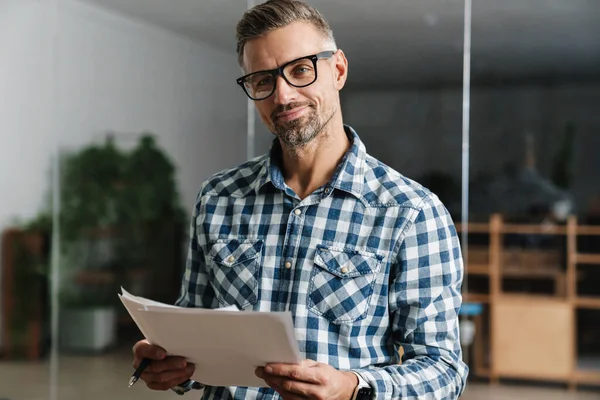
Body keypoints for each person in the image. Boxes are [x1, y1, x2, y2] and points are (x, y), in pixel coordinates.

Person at [132, 0, 468, 399]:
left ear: (338, 69)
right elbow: (196, 335)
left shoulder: (412, 213)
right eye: (263, 80)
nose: (283, 95)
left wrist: (352, 387)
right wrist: (171, 364)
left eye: (300, 70)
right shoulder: (218, 198)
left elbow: (444, 370)